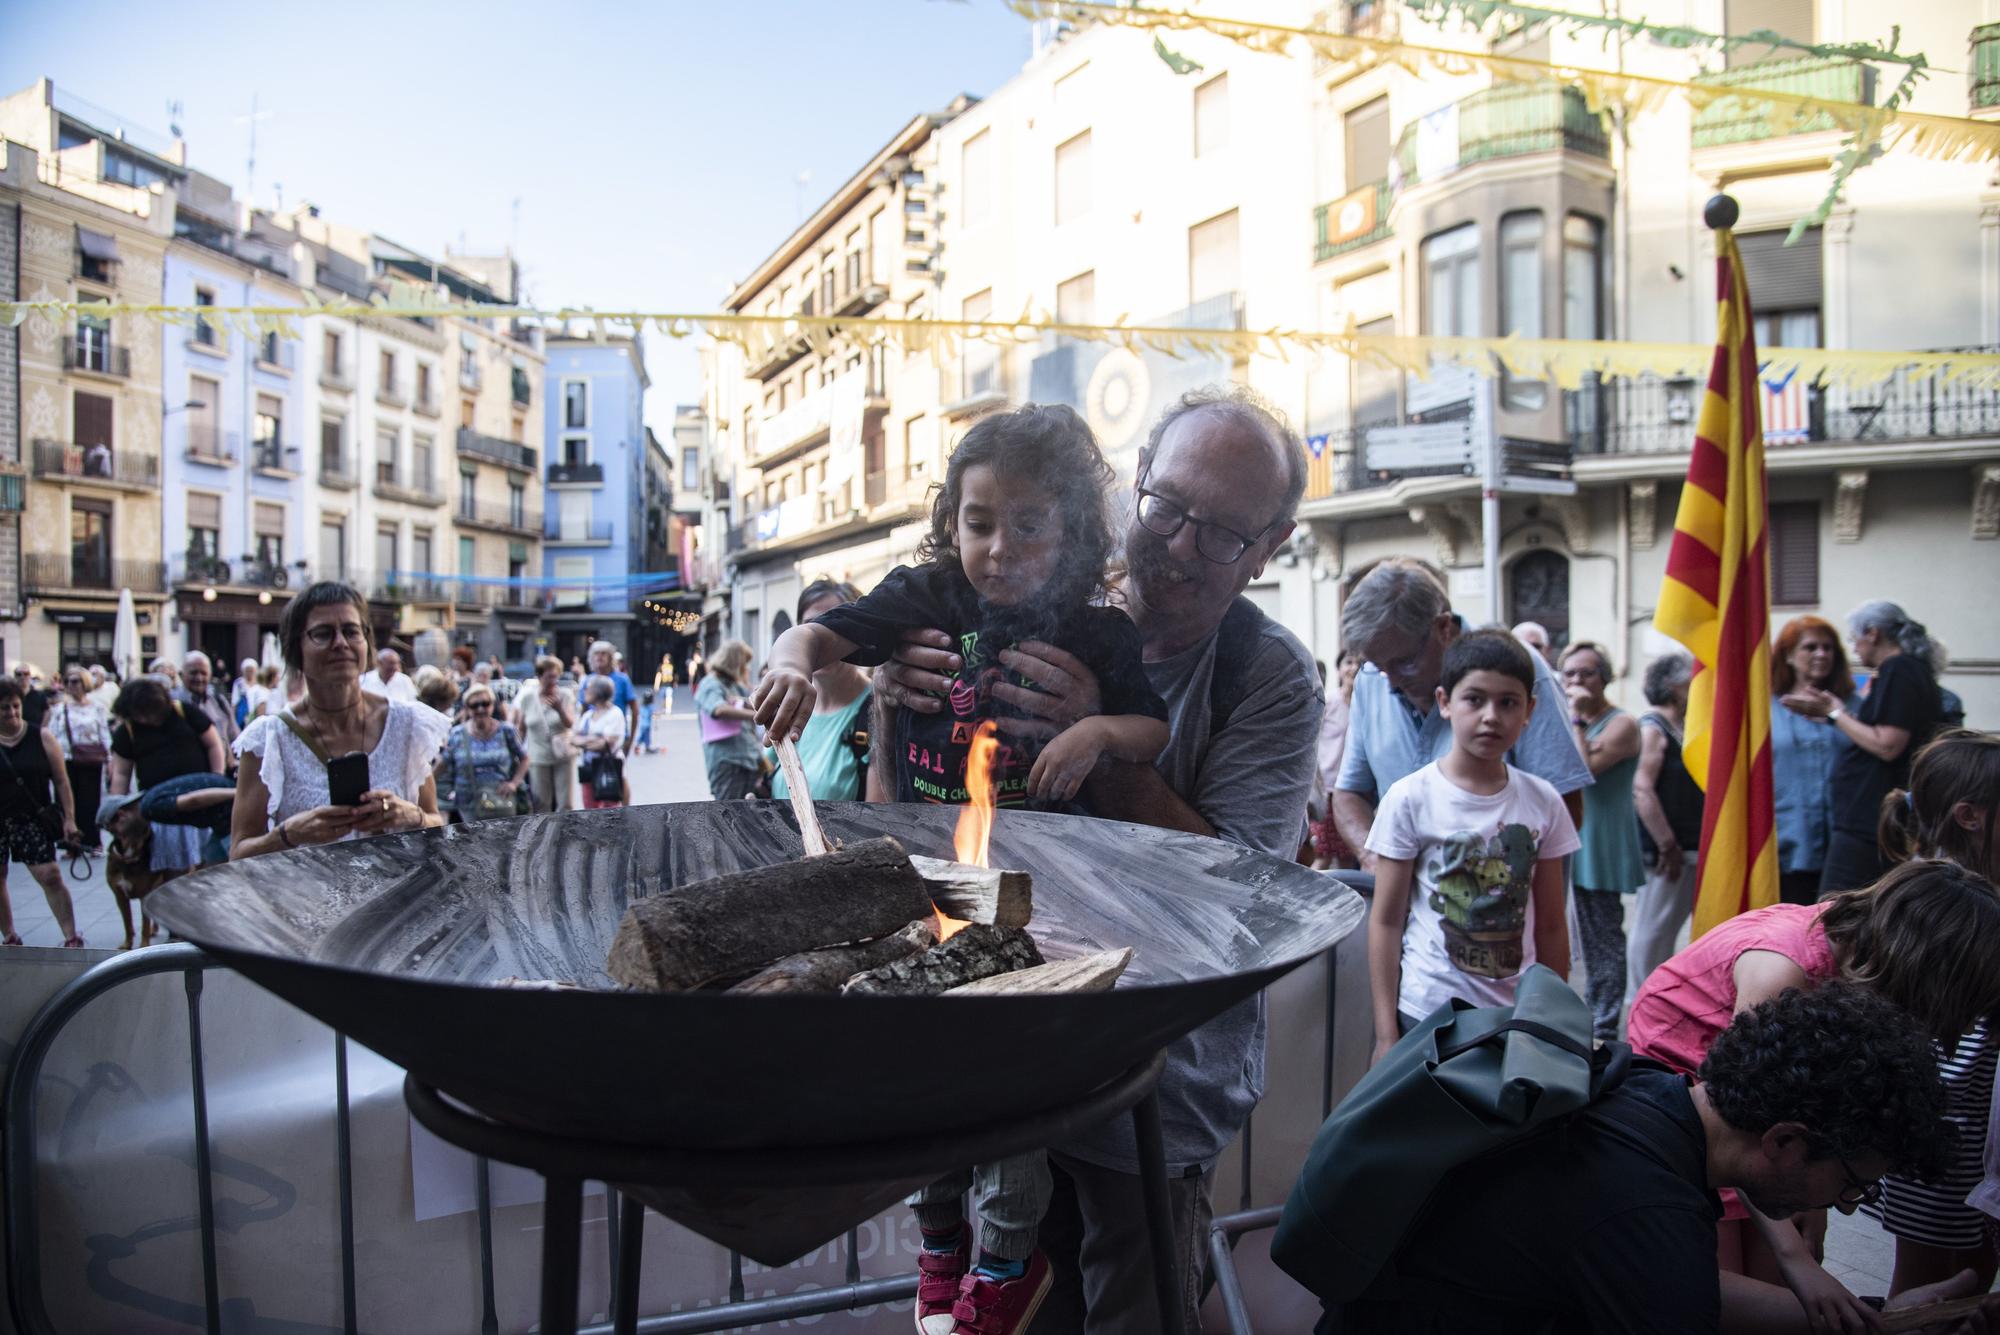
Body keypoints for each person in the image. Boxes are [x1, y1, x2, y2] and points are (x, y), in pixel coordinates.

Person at [869, 387, 1321, 1335]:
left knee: (1129, 1303)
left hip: (1152, 1077)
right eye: (1167, 508)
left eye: (1226, 532)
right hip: (1001, 1039)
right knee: (1000, 1301)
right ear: (1133, 488)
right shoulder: (1033, 591)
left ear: (1273, 544)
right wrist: (893, 699)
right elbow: (903, 829)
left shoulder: (1268, 675)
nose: (1182, 546)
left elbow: (1242, 891)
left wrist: (1095, 741)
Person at [1329, 982, 1994, 1335]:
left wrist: (1890, 1316)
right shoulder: (1644, 1205)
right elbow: (1666, 1281)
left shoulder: (1648, 1089)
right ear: (1786, 1139)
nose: (1837, 1206)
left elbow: (1675, 1289)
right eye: (1849, 1186)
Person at [1628, 858, 2000, 1325]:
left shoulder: (1859, 954)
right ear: (1925, 971)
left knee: (1784, 1275)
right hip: (1696, 1104)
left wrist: (1813, 1204)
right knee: (1714, 1279)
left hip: (1764, 1117)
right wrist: (1798, 1264)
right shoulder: (1782, 972)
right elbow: (1745, 1118)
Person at [756, 404, 1169, 815]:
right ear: (953, 525)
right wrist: (790, 669)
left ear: (1069, 533)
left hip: (1047, 851)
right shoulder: (922, 595)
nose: (1000, 548)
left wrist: (1098, 732)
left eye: (1028, 526)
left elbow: (1152, 730)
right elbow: (811, 636)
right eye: (980, 525)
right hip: (930, 838)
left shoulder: (1098, 629)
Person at [1365, 629, 1578, 1060]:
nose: (1491, 716)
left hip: (1516, 1017)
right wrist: (1386, 1034)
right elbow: (1386, 921)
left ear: (1529, 711)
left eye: (1508, 703)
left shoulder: (1544, 801)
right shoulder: (1410, 797)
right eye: (1475, 699)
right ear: (1445, 702)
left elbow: (1553, 925)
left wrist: (1552, 1023)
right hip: (1428, 1013)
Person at [1331, 562, 1591, 876]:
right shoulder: (1373, 678)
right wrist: (1380, 864)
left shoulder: (1518, 670)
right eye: (1378, 665)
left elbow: (1564, 811)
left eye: (1404, 662)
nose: (1392, 681)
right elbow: (1349, 794)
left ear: (1444, 628)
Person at [1871, 730, 2000, 1298]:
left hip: (1978, 1124)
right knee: (1926, 1282)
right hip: (1943, 1125)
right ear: (1971, 816)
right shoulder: (1940, 900)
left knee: (1974, 1273)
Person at [230, 583, 448, 859]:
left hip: (398, 899)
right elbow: (238, 853)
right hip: (307, 900)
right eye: (323, 634)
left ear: (366, 642)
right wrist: (288, 834)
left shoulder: (408, 724)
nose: (341, 643)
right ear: (297, 647)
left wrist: (410, 816)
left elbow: (436, 823)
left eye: (351, 631)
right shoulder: (268, 740)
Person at [1785, 601, 1945, 894]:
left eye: (1854, 638)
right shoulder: (1911, 670)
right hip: (1876, 820)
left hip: (1867, 821)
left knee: (1832, 912)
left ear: (1872, 634)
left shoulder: (1899, 669)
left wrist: (1834, 714)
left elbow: (1887, 744)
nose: (1854, 648)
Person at [1558, 639, 1646, 1043]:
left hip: (1602, 844)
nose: (1577, 681)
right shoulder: (1576, 722)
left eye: (1586, 673)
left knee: (1603, 937)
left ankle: (1606, 1025)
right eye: (1570, 673)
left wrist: (1574, 718)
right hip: (1574, 838)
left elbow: (1581, 770)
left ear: (1604, 678)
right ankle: (1587, 1017)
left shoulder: (1623, 723)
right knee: (1580, 937)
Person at [1627, 651, 1705, 998]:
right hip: (1667, 852)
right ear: (1674, 685)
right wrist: (1666, 844)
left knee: (1667, 929)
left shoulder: (1681, 726)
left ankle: (1657, 997)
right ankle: (1642, 999)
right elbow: (1642, 789)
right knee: (1653, 930)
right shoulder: (1653, 727)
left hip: (1686, 846)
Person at [1771, 615, 1860, 905]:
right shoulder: (1764, 708)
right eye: (1810, 647)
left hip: (1846, 839)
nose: (1821, 654)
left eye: (1828, 647)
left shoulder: (1855, 706)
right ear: (1788, 655)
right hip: (1785, 840)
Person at [763, 582, 873, 803]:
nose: (822, 645)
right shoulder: (790, 705)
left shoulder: (877, 710)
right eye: (812, 630)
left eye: (835, 631)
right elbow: (768, 770)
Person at [108, 675, 227, 873]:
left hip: (202, 796)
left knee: (207, 860)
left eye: (148, 712)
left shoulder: (183, 712)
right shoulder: (127, 731)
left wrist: (217, 777)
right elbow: (121, 773)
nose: (146, 719)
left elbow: (214, 744)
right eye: (140, 714)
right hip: (161, 805)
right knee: (171, 865)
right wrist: (117, 806)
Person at [0, 676, 84, 947]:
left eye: (15, 706)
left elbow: (62, 781)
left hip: (32, 818)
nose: (11, 712)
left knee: (50, 875)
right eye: (4, 708)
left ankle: (71, 935)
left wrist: (70, 819)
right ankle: (9, 935)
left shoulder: (42, 736)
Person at [434, 682, 529, 822]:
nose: (480, 709)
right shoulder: (457, 734)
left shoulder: (506, 730)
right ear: (466, 708)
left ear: (492, 705)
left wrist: (514, 783)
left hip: (501, 801)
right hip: (469, 804)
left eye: (485, 704)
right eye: (474, 705)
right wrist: (423, 787)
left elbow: (525, 758)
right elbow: (443, 764)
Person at [48, 663, 111, 849]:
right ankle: (71, 844)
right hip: (66, 758)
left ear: (84, 683)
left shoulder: (97, 708)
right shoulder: (60, 708)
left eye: (75, 681)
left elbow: (104, 733)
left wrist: (110, 760)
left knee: (90, 802)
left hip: (91, 759)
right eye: (68, 681)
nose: (71, 685)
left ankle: (92, 842)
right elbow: (52, 733)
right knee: (66, 801)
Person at [1309, 649, 1360, 870]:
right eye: (1348, 662)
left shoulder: (1365, 705)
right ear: (1339, 669)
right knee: (1322, 856)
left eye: (1360, 663)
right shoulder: (1328, 702)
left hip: (1353, 791)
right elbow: (1310, 740)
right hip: (1327, 791)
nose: (1354, 668)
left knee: (1348, 856)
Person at [697, 640, 763, 801]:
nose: (745, 668)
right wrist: (757, 716)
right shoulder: (710, 684)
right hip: (728, 762)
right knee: (730, 815)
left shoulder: (732, 684)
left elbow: (749, 700)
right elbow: (719, 709)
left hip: (748, 759)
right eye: (744, 664)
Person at [516, 655, 578, 814]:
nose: (553, 680)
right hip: (538, 756)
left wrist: (560, 709)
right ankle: (545, 836)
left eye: (556, 676)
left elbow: (570, 723)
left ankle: (564, 834)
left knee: (566, 803)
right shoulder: (528, 698)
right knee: (541, 803)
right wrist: (517, 754)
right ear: (539, 676)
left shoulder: (565, 695)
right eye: (549, 676)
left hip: (562, 754)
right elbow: (521, 727)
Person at [177, 651, 240, 768]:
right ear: (181, 675)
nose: (199, 678)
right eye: (193, 673)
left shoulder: (220, 703)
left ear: (210, 676)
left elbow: (236, 739)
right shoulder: (174, 704)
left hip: (223, 773)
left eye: (203, 673)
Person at [574, 677, 628, 809]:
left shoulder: (615, 714)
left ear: (599, 692)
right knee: (589, 808)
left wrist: (583, 741)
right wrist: (595, 739)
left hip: (607, 767)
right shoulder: (587, 716)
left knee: (609, 809)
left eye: (589, 688)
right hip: (588, 767)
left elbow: (606, 744)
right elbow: (573, 738)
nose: (585, 691)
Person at [584, 641, 639, 759]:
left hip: (616, 736)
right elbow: (582, 709)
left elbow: (635, 709)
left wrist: (630, 738)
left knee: (617, 773)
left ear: (610, 658)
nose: (599, 657)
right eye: (596, 654)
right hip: (591, 738)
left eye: (603, 654)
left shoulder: (622, 680)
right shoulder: (587, 681)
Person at [12, 662, 48, 729]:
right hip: (15, 733)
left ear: (30, 676)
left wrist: (42, 728)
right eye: (19, 674)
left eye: (26, 674)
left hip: (35, 734)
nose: (22, 677)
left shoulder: (40, 695)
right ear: (15, 676)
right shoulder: (10, 696)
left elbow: (47, 711)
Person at [656, 652, 677, 717]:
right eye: (665, 659)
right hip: (663, 685)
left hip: (669, 685)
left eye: (668, 659)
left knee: (669, 697)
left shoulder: (672, 666)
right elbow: (658, 676)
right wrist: (656, 685)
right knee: (663, 698)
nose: (666, 660)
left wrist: (675, 682)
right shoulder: (661, 666)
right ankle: (664, 709)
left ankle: (668, 710)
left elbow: (675, 675)